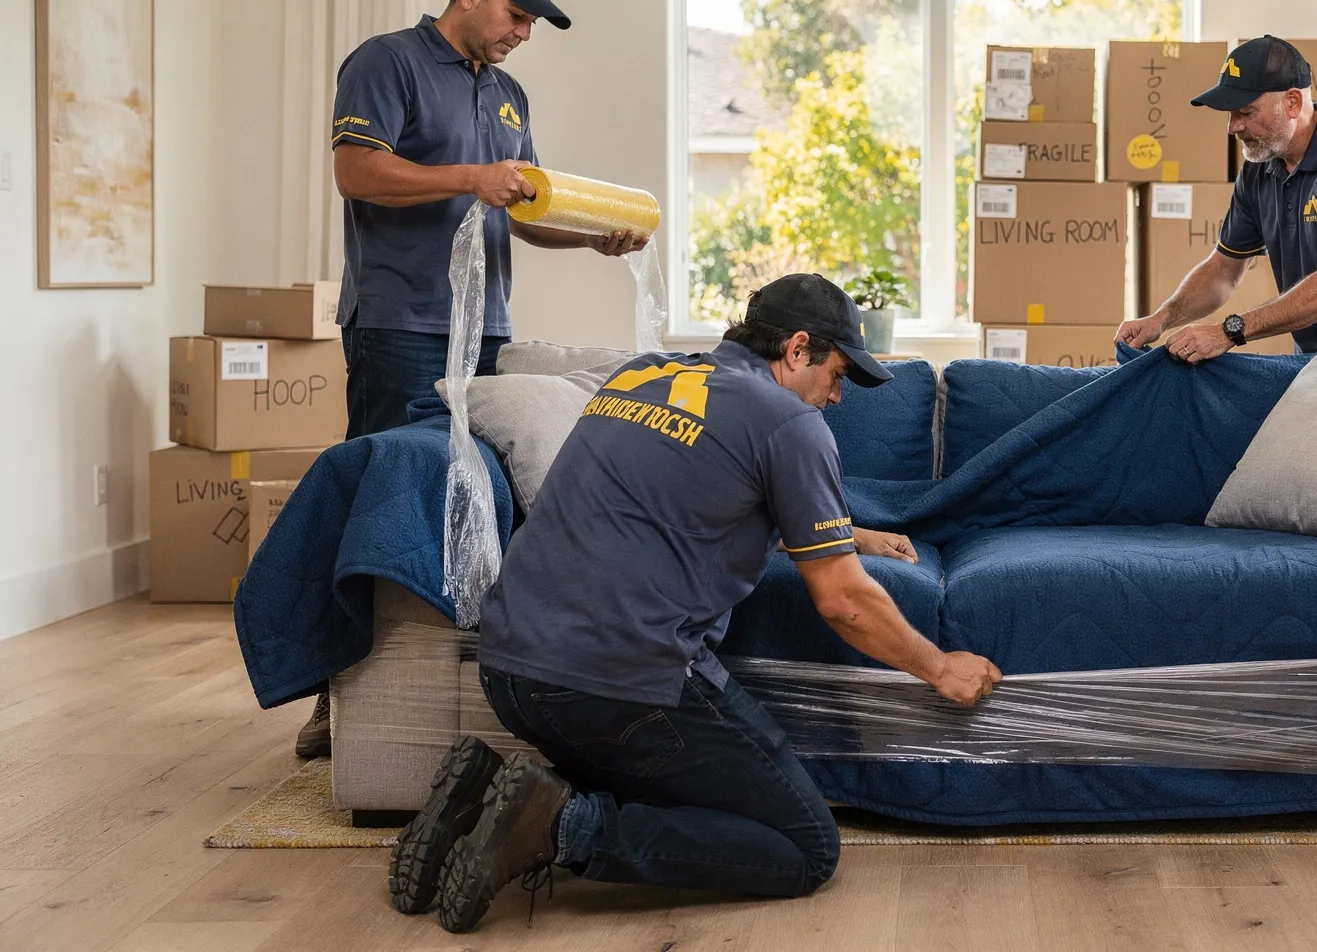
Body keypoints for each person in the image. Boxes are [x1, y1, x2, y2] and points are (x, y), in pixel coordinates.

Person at [389, 274, 1004, 934]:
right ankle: (563, 826)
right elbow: (845, 602)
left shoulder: (642, 378)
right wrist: (941, 668)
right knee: (804, 847)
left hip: (510, 669)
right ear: (797, 349)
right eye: (838, 372)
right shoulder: (789, 422)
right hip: (617, 685)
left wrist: (846, 534)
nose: (836, 394)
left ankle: (482, 795)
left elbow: (680, 500)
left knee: (673, 787)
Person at [297, 0, 647, 761]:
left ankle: (452, 680)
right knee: (382, 501)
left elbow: (519, 209)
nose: (524, 32)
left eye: (533, 23)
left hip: (484, 327)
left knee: (475, 498)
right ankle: (336, 699)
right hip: (398, 325)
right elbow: (356, 172)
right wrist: (468, 178)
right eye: (516, 14)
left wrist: (592, 239)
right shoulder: (386, 63)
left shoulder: (511, 96)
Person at [1116, 35, 1317, 371]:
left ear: (1292, 102)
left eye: (1246, 111)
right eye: (1231, 114)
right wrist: (1162, 318)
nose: (1234, 127)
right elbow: (1222, 270)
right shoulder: (1258, 171)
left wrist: (1229, 332)